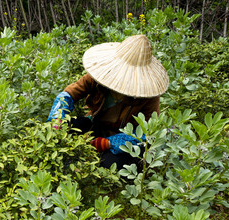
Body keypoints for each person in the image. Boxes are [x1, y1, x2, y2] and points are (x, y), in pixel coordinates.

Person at [47, 34, 169, 169]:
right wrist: (58, 117)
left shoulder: (148, 95)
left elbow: (148, 134)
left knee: (109, 164)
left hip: (122, 138)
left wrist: (109, 143)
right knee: (69, 126)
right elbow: (69, 94)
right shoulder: (100, 76)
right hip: (96, 124)